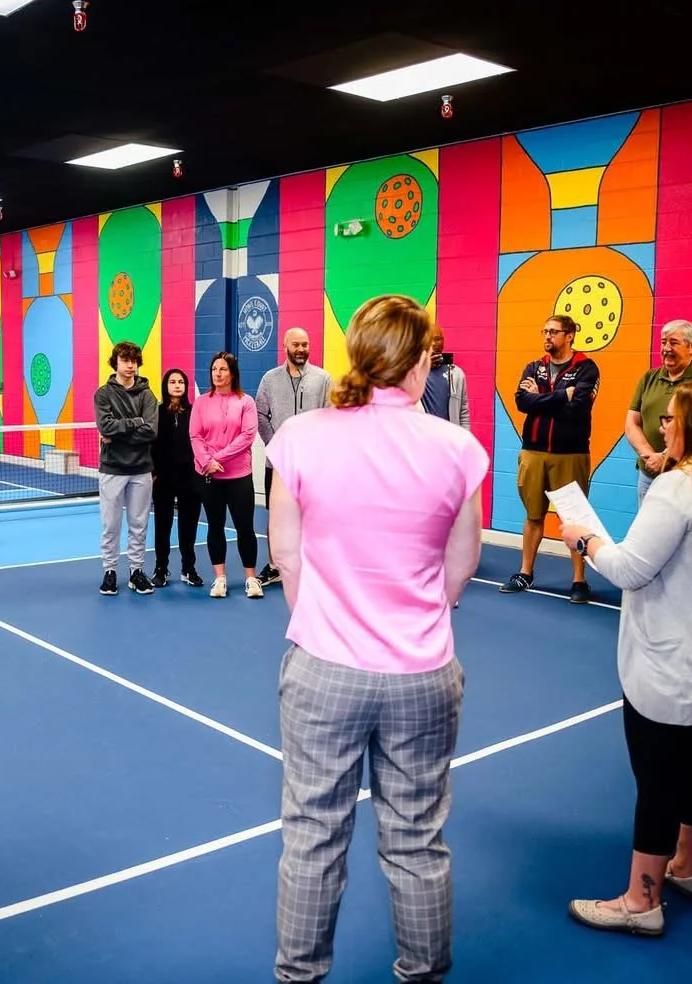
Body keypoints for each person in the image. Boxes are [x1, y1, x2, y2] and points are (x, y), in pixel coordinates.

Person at [266, 294, 486, 983]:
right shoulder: (458, 448)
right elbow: (460, 569)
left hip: (324, 671)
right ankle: (424, 975)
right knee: (418, 842)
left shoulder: (302, 435)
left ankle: (299, 976)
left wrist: (328, 625)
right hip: (423, 673)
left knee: (312, 839)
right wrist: (412, 614)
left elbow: (288, 557)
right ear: (423, 359)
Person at [560, 379, 692, 936]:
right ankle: (688, 866)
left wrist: (583, 540)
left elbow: (630, 568)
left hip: (679, 664)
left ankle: (640, 902)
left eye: (672, 419)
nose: (662, 427)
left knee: (656, 781)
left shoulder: (679, 486)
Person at [500, 314, 599, 603]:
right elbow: (522, 402)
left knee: (574, 518)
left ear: (570, 335)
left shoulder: (586, 368)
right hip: (532, 451)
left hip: (571, 453)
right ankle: (525, 572)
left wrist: (541, 398)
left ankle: (579, 580)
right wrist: (560, 395)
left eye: (554, 332)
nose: (547, 336)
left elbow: (578, 408)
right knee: (533, 516)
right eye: (545, 331)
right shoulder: (534, 366)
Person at [254, 327, 332, 588]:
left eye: (305, 344)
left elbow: (332, 418)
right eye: (296, 344)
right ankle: (275, 566)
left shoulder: (323, 379)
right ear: (285, 346)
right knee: (276, 516)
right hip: (277, 465)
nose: (301, 349)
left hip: (313, 467)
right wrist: (276, 445)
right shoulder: (269, 379)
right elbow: (260, 414)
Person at [624, 320, 692, 505]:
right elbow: (631, 422)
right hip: (648, 474)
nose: (666, 348)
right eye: (663, 342)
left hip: (687, 476)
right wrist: (650, 456)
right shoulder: (649, 377)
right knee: (649, 529)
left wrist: (665, 457)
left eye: (673, 342)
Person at [191, 351, 261, 599]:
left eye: (223, 369)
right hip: (210, 478)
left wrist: (216, 459)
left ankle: (251, 579)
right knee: (215, 527)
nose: (217, 374)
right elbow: (196, 436)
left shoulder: (246, 402)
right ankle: (219, 578)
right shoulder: (201, 402)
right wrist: (206, 462)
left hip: (239, 476)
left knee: (245, 528)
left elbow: (247, 436)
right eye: (214, 369)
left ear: (232, 373)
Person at [94, 340, 158, 596]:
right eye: (125, 360)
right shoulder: (103, 394)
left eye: (134, 361)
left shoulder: (147, 395)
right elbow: (105, 427)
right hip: (112, 469)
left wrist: (120, 430)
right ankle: (110, 572)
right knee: (111, 525)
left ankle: (136, 572)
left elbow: (151, 431)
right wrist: (136, 423)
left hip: (142, 469)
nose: (130, 365)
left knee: (139, 524)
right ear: (116, 362)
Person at [150, 367, 203, 588]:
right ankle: (161, 568)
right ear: (166, 386)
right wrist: (153, 471)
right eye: (173, 382)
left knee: (188, 525)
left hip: (190, 477)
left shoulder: (194, 412)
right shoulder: (157, 412)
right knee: (162, 525)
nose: (177, 385)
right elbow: (150, 443)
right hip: (163, 478)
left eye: (181, 382)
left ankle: (188, 568)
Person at [419, 327, 470, 430]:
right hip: (421, 437)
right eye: (429, 339)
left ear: (443, 342)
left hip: (448, 438)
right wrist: (423, 367)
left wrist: (464, 437)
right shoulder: (412, 372)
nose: (433, 343)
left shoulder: (456, 374)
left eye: (437, 339)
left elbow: (463, 413)